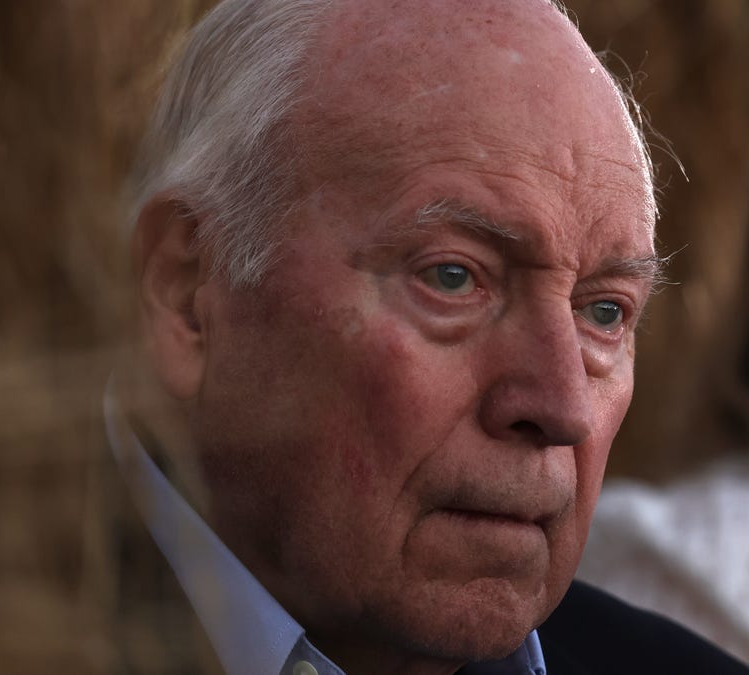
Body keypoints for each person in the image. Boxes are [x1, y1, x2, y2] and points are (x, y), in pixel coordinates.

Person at [100, 0, 749, 673]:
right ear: (187, 295)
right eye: (453, 276)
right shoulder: (2, 627)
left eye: (605, 313)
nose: (562, 408)